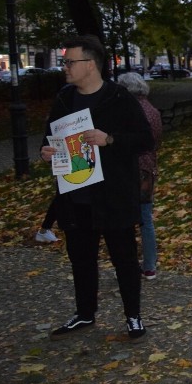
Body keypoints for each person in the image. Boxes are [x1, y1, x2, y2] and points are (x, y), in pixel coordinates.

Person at [39, 35, 153, 342]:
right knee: (81, 259)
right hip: (76, 196)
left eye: (69, 61)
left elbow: (145, 139)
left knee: (124, 260)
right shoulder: (64, 98)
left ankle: (133, 316)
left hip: (113, 195)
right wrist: (45, 152)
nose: (64, 67)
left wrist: (110, 139)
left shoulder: (118, 97)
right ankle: (85, 314)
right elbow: (48, 137)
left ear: (90, 65)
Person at [117, 72, 162, 280]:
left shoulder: (128, 110)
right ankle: (150, 264)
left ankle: (128, 264)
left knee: (124, 219)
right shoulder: (152, 110)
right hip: (148, 168)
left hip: (129, 168)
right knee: (146, 219)